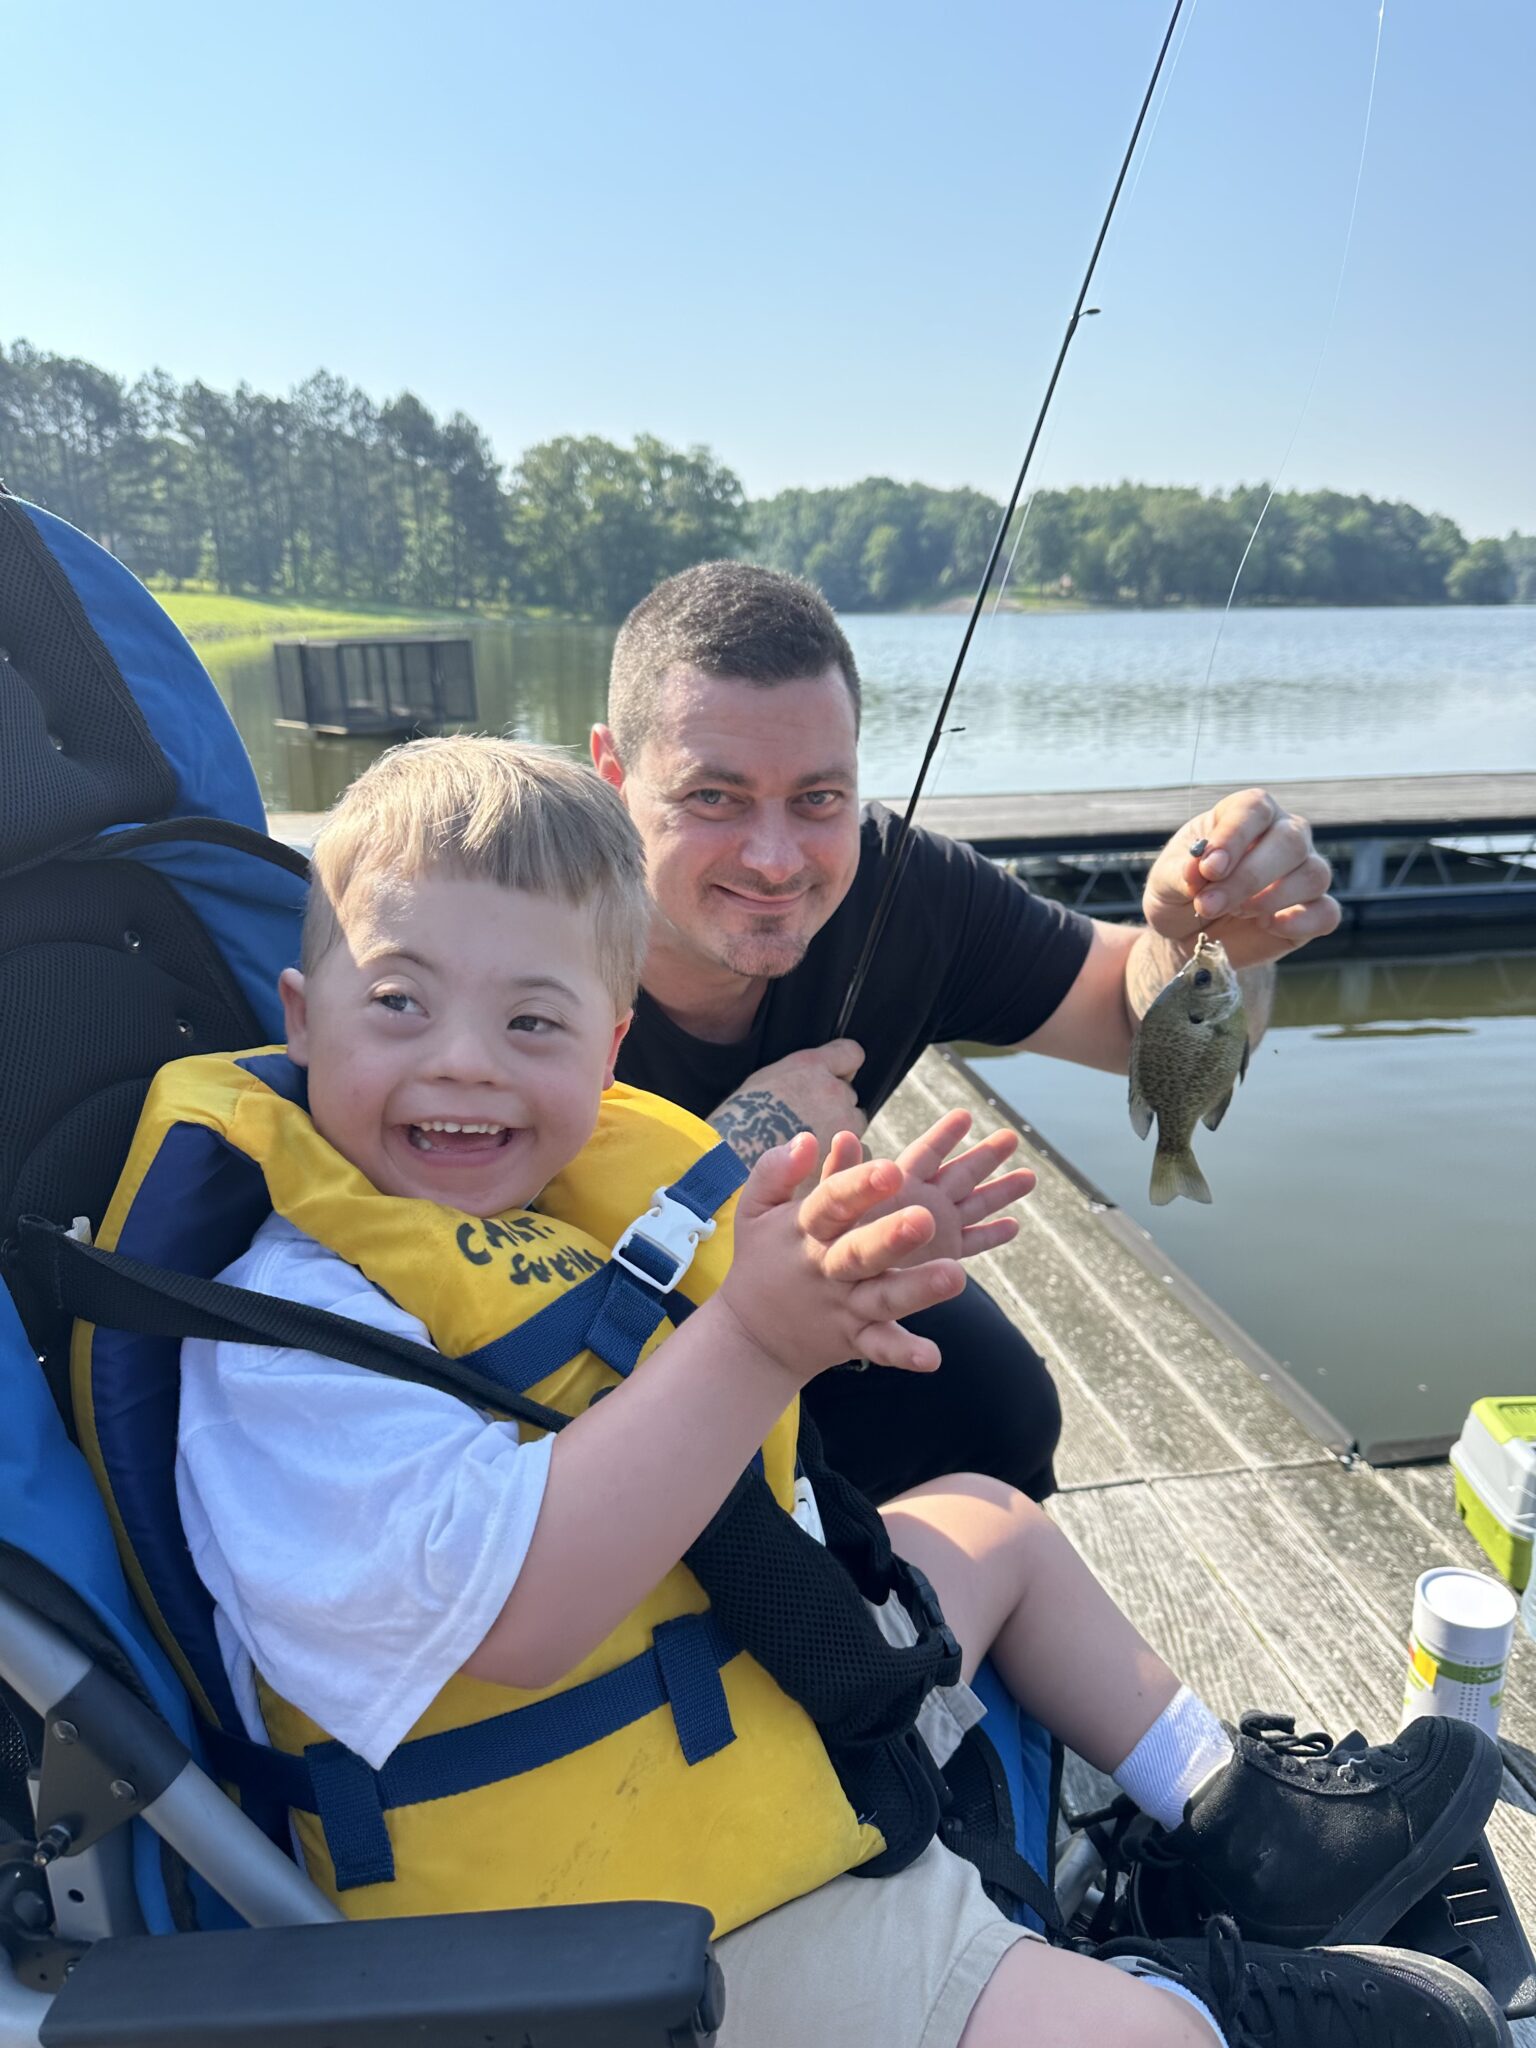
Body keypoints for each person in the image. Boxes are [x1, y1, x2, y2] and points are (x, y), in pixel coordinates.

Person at [166, 738, 1505, 2048]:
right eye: (400, 1002)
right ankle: (1164, 1993)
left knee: (996, 1516)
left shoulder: (550, 1197)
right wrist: (758, 1336)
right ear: (298, 1020)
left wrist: (848, 1262)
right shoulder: (289, 1339)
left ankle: (1236, 1824)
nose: (465, 1061)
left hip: (730, 1669)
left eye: (531, 1020)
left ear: (608, 1042)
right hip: (626, 1907)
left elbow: (1118, 1002)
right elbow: (522, 1616)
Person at [592, 562, 1343, 1507]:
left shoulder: (906, 890)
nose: (776, 858)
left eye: (819, 797)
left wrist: (1213, 933)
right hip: (576, 1351)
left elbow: (1132, 1016)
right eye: (715, 798)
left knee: (999, 1412)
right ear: (613, 773)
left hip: (804, 1289)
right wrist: (719, 1159)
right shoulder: (518, 924)